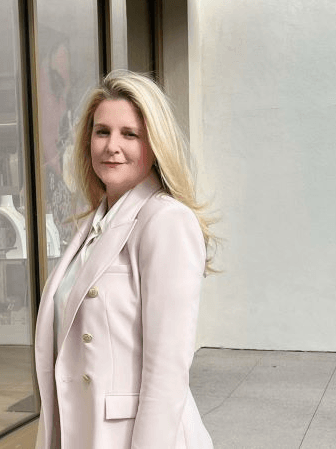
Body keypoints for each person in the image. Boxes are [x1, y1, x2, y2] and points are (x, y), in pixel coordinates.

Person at [35, 71, 215, 449]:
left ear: (154, 143)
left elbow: (167, 372)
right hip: (85, 431)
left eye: (129, 134)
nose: (111, 146)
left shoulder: (165, 220)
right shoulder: (95, 223)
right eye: (102, 132)